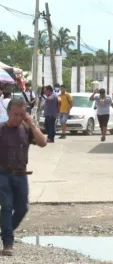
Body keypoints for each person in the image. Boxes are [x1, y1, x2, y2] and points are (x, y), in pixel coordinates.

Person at [0, 98, 46, 256]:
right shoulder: (2, 129)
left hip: (21, 175)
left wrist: (32, 124)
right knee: (6, 207)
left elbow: (43, 143)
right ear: (8, 113)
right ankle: (8, 243)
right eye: (15, 114)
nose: (18, 118)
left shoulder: (26, 129)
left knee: (22, 208)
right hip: (3, 174)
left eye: (21, 114)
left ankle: (5, 230)